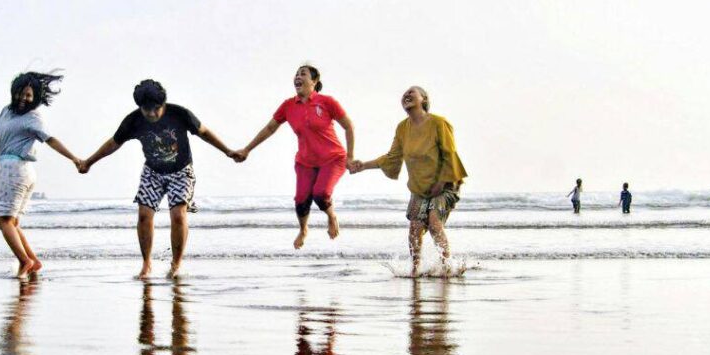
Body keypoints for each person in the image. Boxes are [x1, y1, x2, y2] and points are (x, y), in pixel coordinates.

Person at [78, 79, 236, 279]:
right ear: (140, 107)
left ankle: (176, 265)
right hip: (152, 172)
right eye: (146, 110)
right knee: (144, 215)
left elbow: (204, 132)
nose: (152, 114)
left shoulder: (180, 114)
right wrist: (90, 161)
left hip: (181, 171)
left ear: (164, 103)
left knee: (178, 215)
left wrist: (228, 151)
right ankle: (146, 264)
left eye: (156, 109)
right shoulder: (133, 121)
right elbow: (113, 143)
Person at [0, 71, 82, 280]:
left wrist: (74, 158)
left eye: (28, 95)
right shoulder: (6, 112)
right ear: (14, 92)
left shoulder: (33, 117)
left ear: (35, 97)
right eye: (20, 93)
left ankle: (24, 261)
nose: (23, 98)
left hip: (16, 170)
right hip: (17, 171)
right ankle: (33, 260)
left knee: (4, 221)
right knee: (13, 223)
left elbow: (51, 139)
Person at [349, 86, 467, 275]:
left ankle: (447, 267)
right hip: (420, 187)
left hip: (445, 184)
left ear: (424, 99)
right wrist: (363, 165)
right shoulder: (403, 128)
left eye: (412, 93)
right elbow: (392, 157)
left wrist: (442, 181)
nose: (406, 95)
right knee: (415, 228)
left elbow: (449, 152)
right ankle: (415, 270)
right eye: (404, 94)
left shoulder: (439, 123)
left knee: (435, 222)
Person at [234, 64, 355, 249]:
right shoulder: (288, 105)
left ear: (314, 81)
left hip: (333, 158)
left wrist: (351, 157)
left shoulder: (327, 102)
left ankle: (332, 216)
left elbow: (349, 126)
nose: (298, 77)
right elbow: (270, 128)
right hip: (305, 161)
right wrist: (247, 149)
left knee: (320, 194)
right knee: (300, 200)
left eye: (303, 74)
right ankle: (303, 229)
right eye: (296, 74)